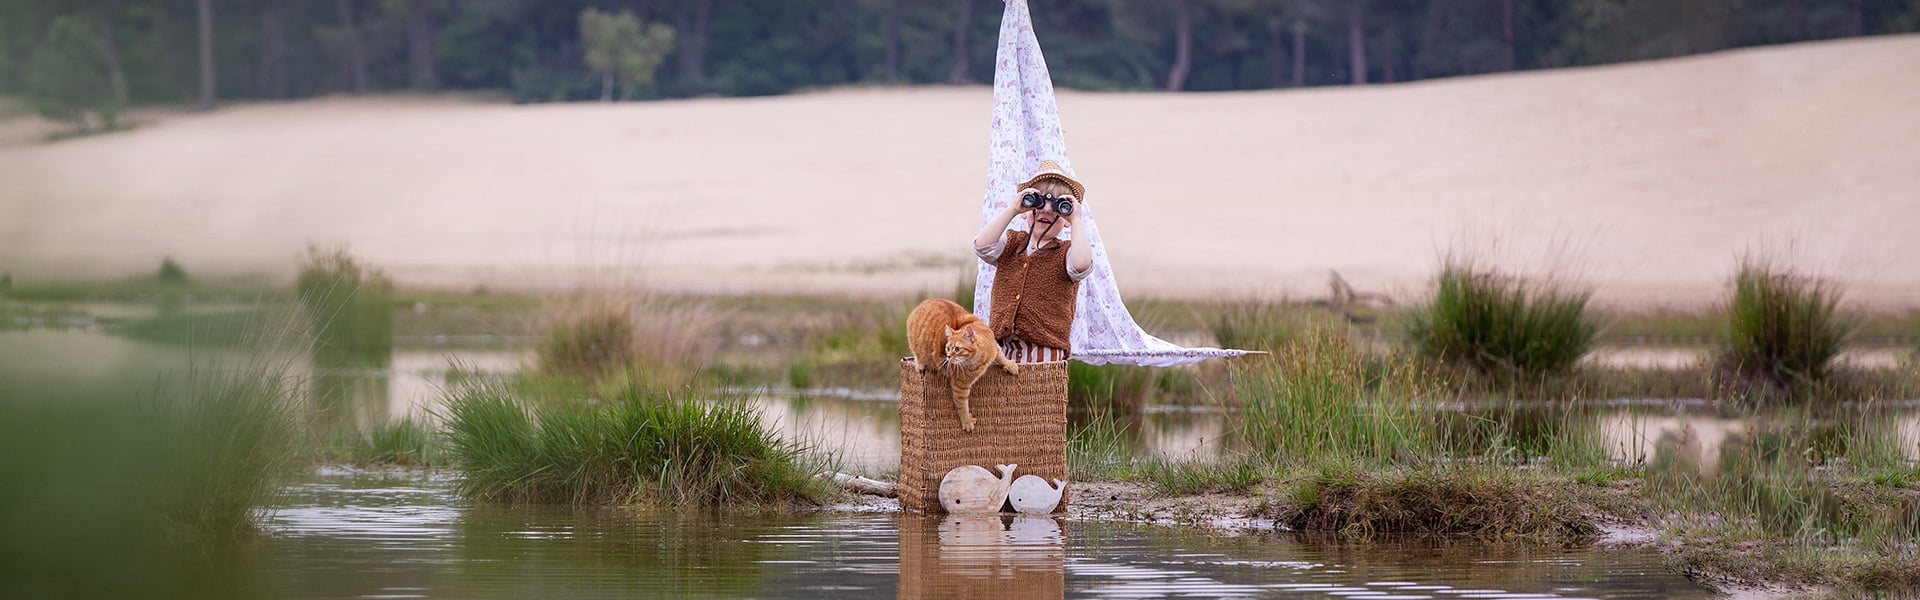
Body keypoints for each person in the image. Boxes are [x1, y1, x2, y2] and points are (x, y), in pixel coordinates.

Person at [971, 160, 1093, 363]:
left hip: (1046, 353)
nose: (1046, 209)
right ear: (1027, 210)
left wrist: (1076, 220)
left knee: (1041, 396)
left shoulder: (1066, 253)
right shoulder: (1012, 243)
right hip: (1004, 351)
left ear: (1064, 220)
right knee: (1005, 395)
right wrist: (1012, 209)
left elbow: (1081, 265)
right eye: (1038, 202)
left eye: (1056, 206)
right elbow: (981, 246)